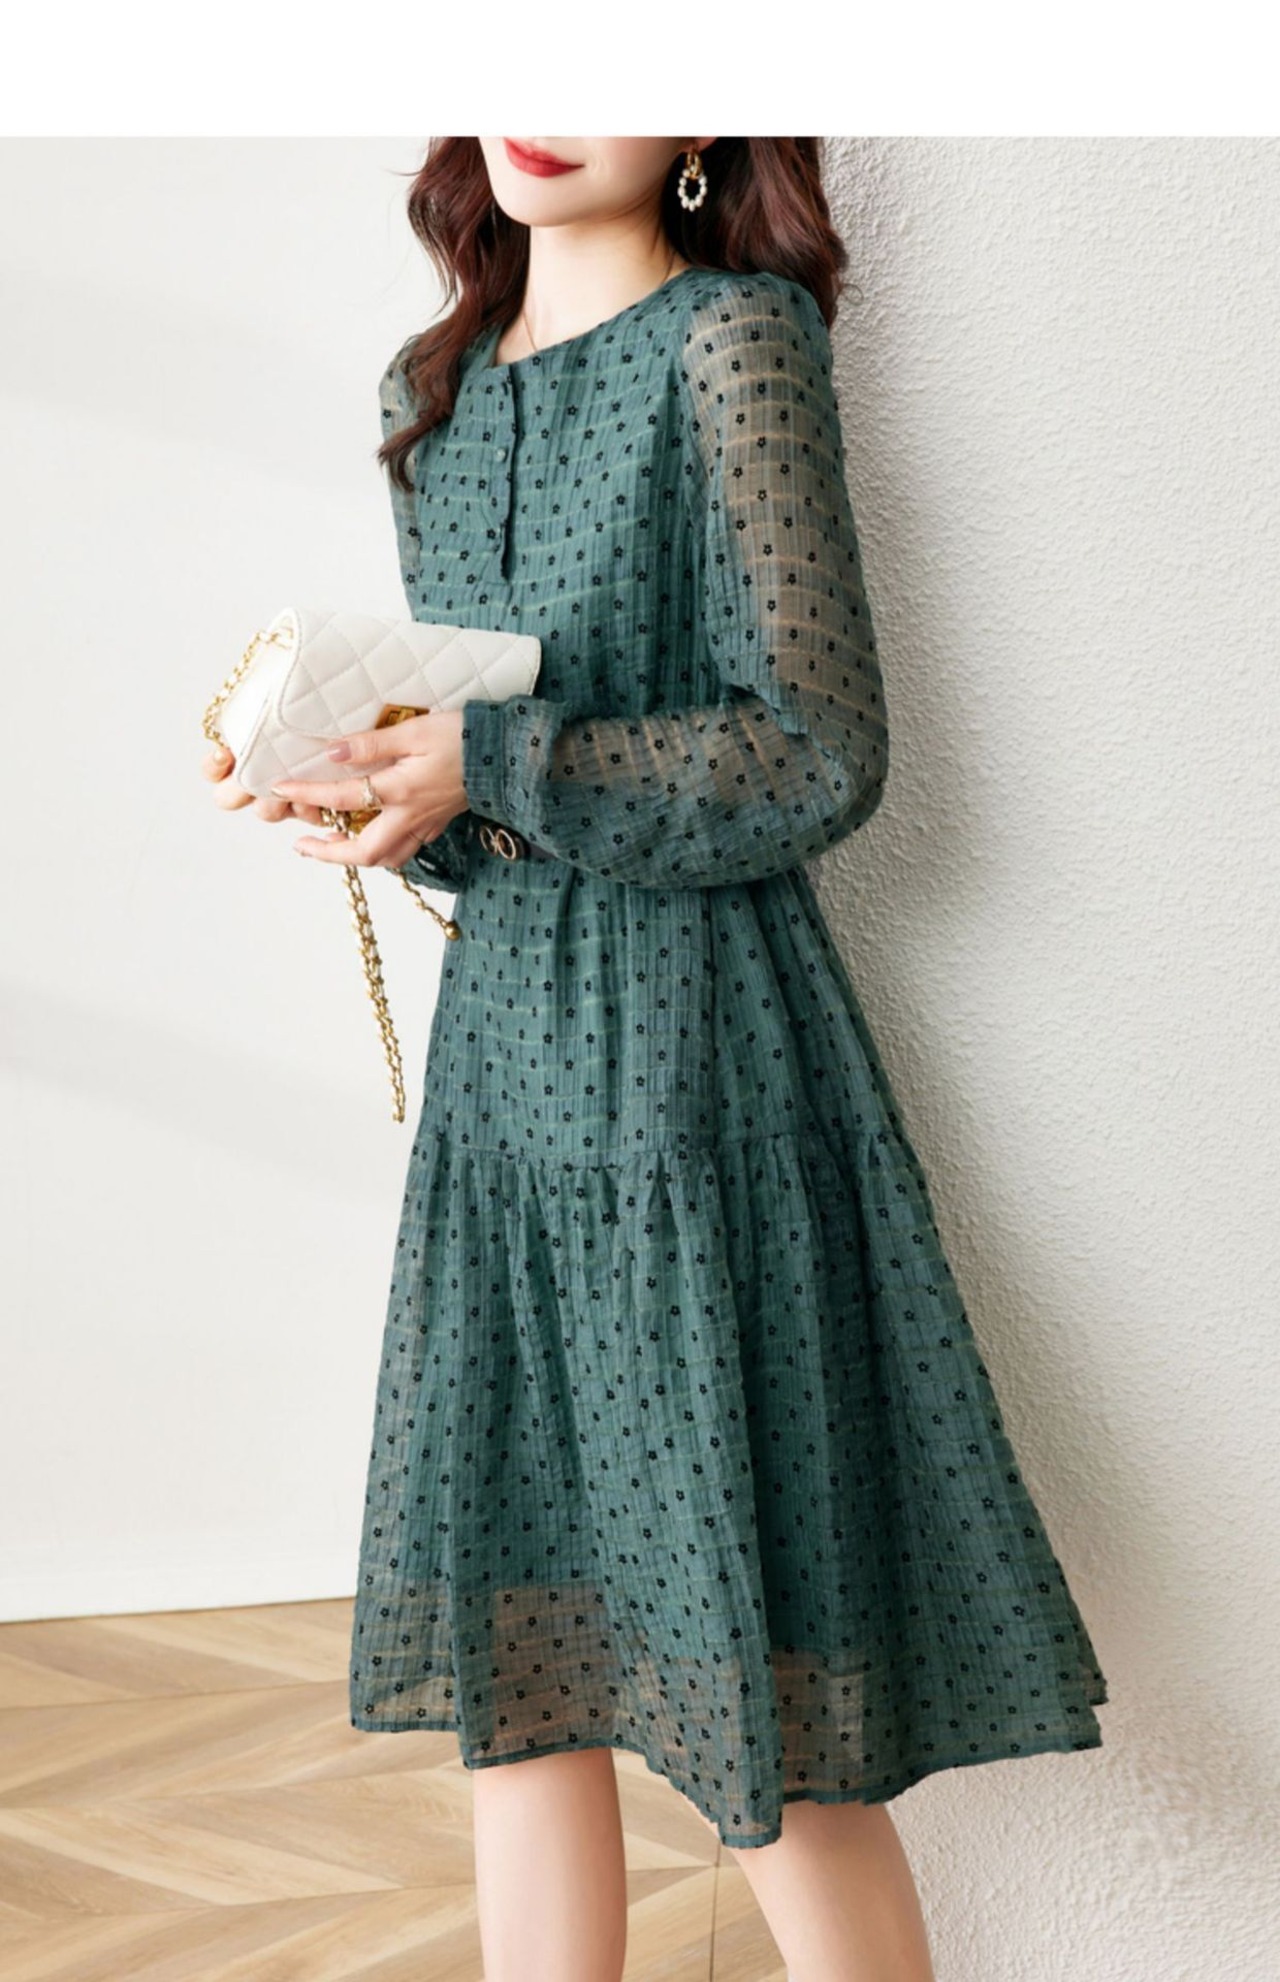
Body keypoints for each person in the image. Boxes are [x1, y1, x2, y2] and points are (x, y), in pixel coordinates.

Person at [203, 136, 1108, 1982]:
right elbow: (484, 796)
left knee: (755, 1679)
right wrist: (376, 797)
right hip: (505, 1078)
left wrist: (489, 762)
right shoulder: (431, 392)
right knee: (521, 1681)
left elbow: (820, 749)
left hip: (702, 1073)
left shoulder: (735, 343)